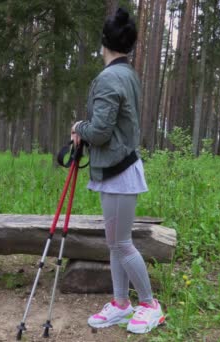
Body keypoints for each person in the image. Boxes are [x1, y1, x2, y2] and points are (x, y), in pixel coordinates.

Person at [70, 7, 165, 335]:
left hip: (119, 171)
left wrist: (78, 126)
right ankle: (122, 304)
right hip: (116, 169)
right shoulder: (127, 74)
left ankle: (150, 305)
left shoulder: (111, 78)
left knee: (122, 243)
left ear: (104, 44)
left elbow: (99, 131)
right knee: (115, 243)